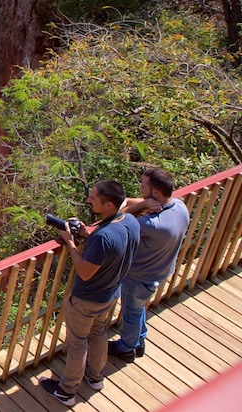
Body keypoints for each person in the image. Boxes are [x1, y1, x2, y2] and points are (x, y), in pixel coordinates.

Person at [40, 180, 140, 406]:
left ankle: (67, 391)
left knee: (78, 344)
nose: (88, 200)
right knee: (99, 334)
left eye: (93, 198)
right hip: (110, 294)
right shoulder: (131, 222)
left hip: (87, 300)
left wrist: (70, 243)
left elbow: (85, 272)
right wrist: (88, 233)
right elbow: (112, 247)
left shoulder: (103, 238)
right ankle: (95, 378)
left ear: (109, 205)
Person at [108, 168, 190, 362]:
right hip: (161, 270)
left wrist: (139, 205)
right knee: (137, 307)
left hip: (139, 276)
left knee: (131, 311)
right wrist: (142, 202)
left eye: (143, 186)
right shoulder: (180, 207)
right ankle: (139, 339)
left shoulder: (152, 224)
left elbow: (114, 222)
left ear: (155, 193)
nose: (140, 188)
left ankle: (127, 348)